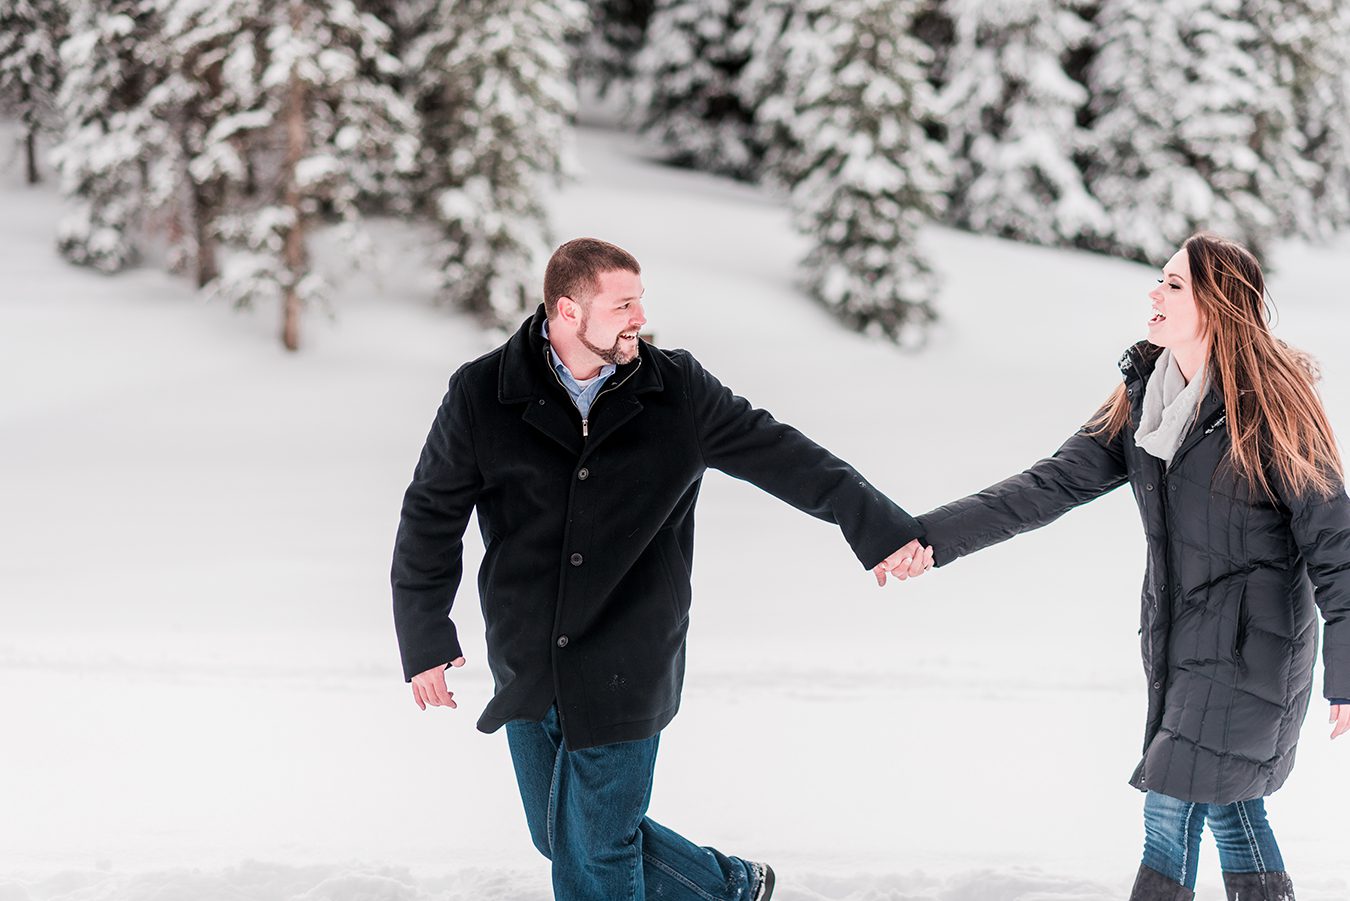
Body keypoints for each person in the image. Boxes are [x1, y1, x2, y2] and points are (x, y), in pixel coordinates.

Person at [391, 237, 933, 901]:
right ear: (567, 310)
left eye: (639, 300)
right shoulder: (483, 393)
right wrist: (424, 635)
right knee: (560, 834)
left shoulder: (676, 391)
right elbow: (430, 514)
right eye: (622, 304)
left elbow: (784, 453)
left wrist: (874, 523)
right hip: (526, 655)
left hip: (628, 653)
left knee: (596, 847)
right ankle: (728, 885)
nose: (637, 317)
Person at [909, 233, 1349, 901]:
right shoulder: (1145, 400)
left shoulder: (1272, 410)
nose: (1155, 292)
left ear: (1217, 303)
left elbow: (1336, 545)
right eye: (1161, 279)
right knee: (1231, 804)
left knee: (1171, 801)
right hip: (1179, 640)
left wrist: (1345, 671)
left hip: (1254, 648)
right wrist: (925, 537)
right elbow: (1048, 485)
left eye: (1174, 284)